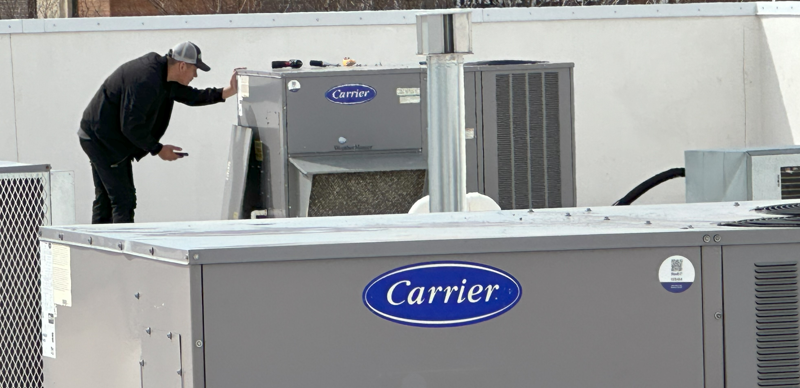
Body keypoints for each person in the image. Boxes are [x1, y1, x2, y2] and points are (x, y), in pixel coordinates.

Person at [78, 41, 240, 224]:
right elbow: (130, 126)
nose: (195, 75)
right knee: (123, 200)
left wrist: (230, 90)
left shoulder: (164, 76)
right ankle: (119, 250)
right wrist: (158, 149)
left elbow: (193, 96)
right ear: (182, 65)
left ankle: (100, 249)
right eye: (194, 70)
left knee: (107, 199)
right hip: (102, 140)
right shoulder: (146, 79)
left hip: (101, 136)